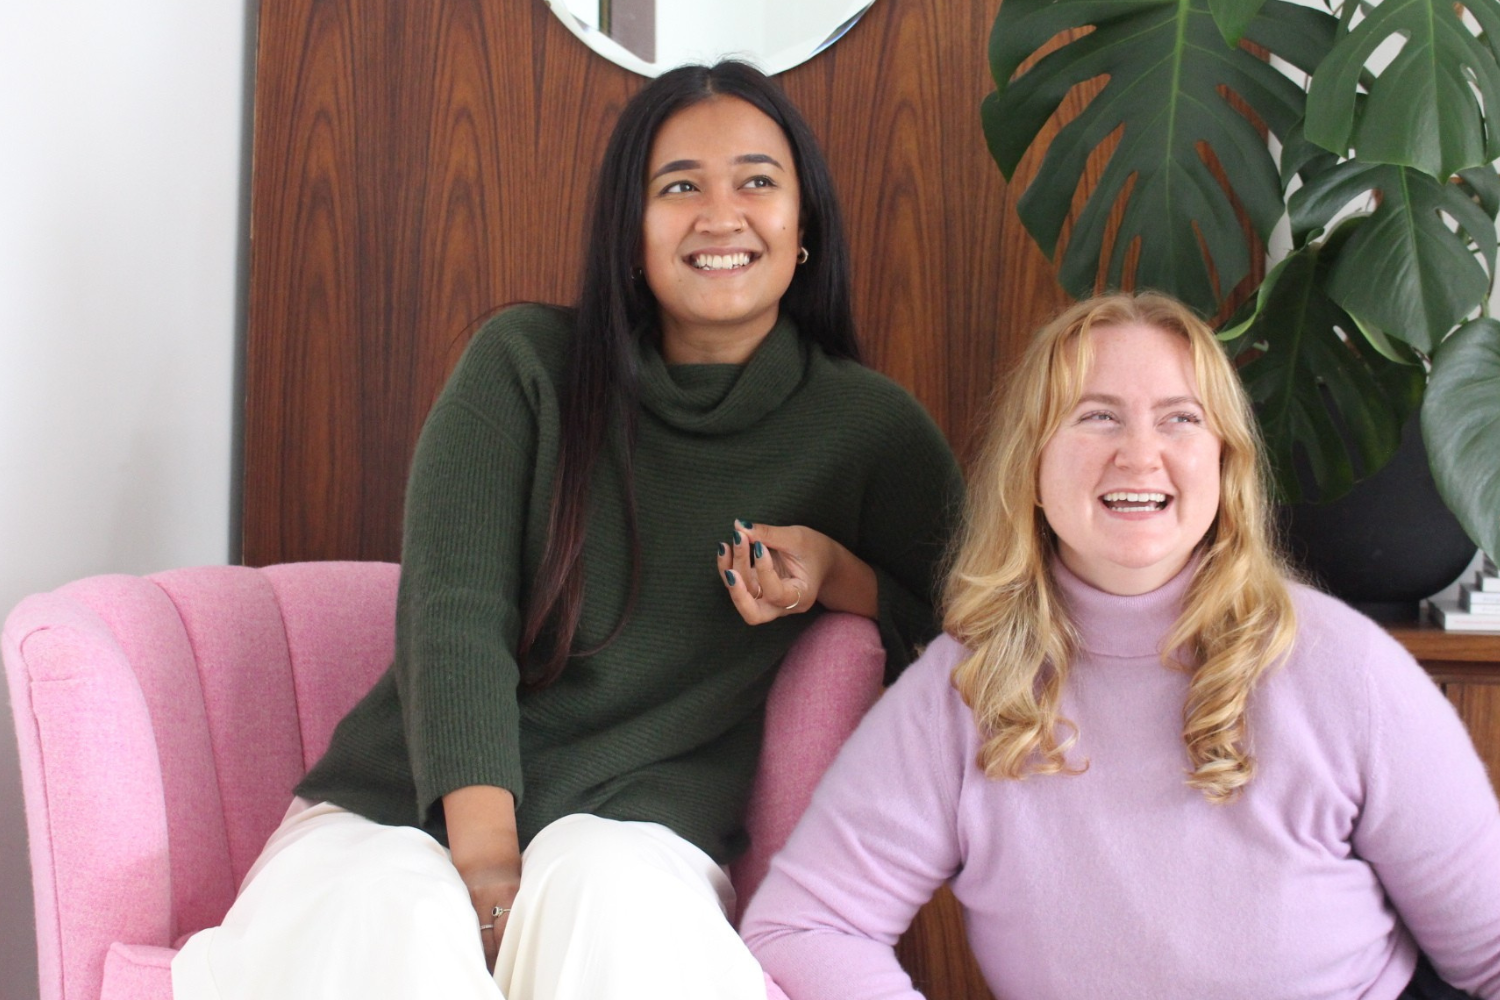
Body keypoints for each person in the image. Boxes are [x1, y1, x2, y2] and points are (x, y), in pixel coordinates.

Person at [171, 61, 961, 1000]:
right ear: (630, 236)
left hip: (634, 836)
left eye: (757, 180)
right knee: (390, 910)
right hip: (402, 815)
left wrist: (836, 573)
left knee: (607, 893)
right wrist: (489, 873)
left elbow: (975, 624)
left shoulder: (869, 430)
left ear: (804, 231)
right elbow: (453, 611)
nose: (721, 214)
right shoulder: (522, 368)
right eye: (679, 187)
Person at [741, 292, 1500, 1000]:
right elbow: (802, 926)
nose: (1140, 455)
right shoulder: (961, 692)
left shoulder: (1350, 670)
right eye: (1097, 417)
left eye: (1179, 419)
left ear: (1225, 463)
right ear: (1031, 467)